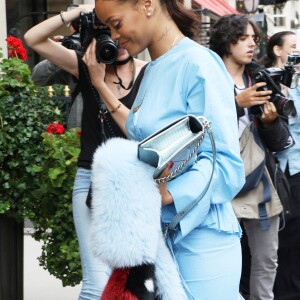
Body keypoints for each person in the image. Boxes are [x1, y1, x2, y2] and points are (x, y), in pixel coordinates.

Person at [83, 0, 246, 299]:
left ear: (147, 4)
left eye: (116, 24)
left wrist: (169, 192)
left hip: (201, 240)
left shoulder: (199, 63)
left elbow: (225, 163)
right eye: (106, 28)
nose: (113, 36)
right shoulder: (155, 69)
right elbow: (139, 130)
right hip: (158, 234)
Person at [24, 4, 147, 300]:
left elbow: (144, 132)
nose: (114, 42)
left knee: (132, 281)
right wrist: (78, 13)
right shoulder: (85, 66)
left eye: (119, 33)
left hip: (137, 184)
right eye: (106, 35)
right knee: (96, 283)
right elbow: (33, 39)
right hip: (91, 180)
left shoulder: (151, 72)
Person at [209, 14, 291, 300]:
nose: (251, 45)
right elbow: (196, 124)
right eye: (243, 38)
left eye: (254, 39)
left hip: (258, 179)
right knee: (222, 258)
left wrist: (270, 122)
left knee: (267, 258)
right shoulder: (208, 76)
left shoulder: (259, 76)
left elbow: (280, 141)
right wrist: (234, 104)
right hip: (218, 180)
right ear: (226, 41)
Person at [262, 31, 300, 300]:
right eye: (294, 47)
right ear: (277, 50)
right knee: (277, 239)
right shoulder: (265, 78)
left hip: (297, 169)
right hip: (272, 170)